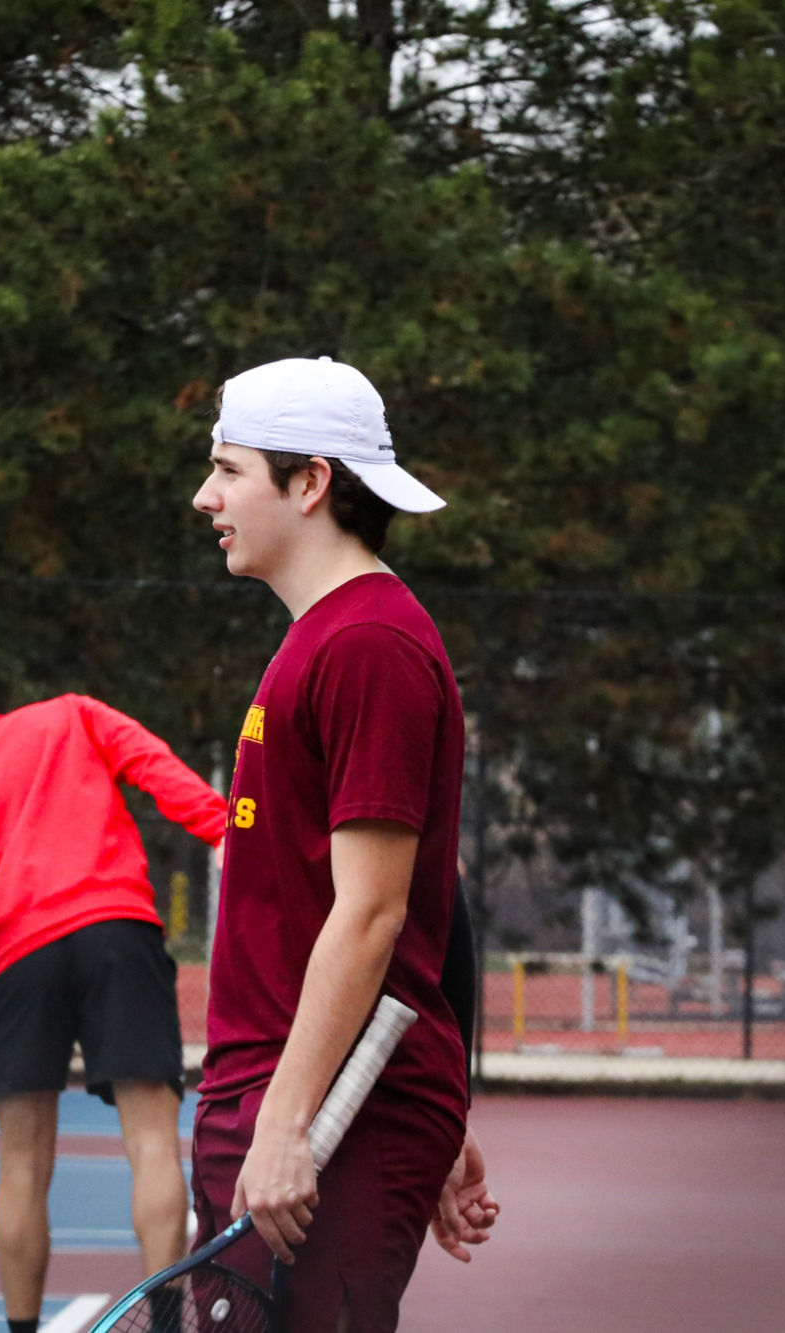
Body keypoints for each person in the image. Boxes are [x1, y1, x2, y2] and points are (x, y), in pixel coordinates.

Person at [189, 356, 498, 1333]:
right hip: (302, 1101)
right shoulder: (327, 638)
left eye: (230, 470)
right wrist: (435, 1111)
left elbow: (373, 912)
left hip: (314, 1116)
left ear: (311, 481)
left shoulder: (366, 644)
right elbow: (413, 899)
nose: (206, 497)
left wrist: (289, 1123)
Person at [0, 665, 229, 1333]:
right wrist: (224, 831)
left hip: (20, 960)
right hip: (119, 931)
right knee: (152, 1143)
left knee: (23, 1165)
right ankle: (172, 1325)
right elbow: (158, 769)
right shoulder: (73, 713)